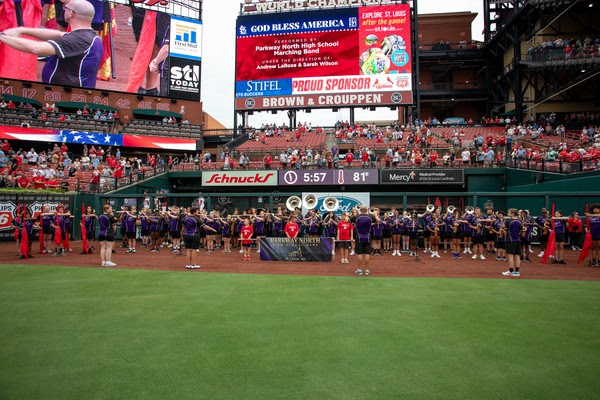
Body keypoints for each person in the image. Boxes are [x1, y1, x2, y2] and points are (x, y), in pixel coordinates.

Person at [0, 0, 103, 88]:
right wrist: (22, 30)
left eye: (65, 8)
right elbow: (57, 34)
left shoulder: (78, 40)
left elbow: (35, 48)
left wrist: (2, 37)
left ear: (71, 13)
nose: (63, 10)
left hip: (65, 97)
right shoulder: (88, 35)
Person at [351, 206, 377, 276]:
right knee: (367, 253)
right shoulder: (370, 217)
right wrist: (376, 215)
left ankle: (359, 270)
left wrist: (352, 213)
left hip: (359, 237)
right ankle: (367, 270)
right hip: (367, 237)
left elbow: (349, 220)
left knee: (359, 254)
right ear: (367, 210)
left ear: (360, 210)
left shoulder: (356, 217)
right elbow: (377, 221)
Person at [502, 209, 522, 277]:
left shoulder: (509, 221)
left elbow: (505, 230)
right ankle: (517, 271)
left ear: (513, 213)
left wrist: (503, 228)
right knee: (517, 256)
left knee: (510, 256)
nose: (508, 213)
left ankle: (511, 271)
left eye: (509, 212)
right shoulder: (520, 221)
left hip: (510, 240)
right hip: (518, 240)